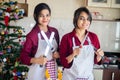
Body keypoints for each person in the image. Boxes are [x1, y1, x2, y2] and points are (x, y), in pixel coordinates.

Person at [59, 7, 104, 80]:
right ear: (75, 19)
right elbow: (63, 62)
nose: (85, 21)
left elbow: (95, 61)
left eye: (88, 19)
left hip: (87, 78)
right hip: (70, 78)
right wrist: (73, 55)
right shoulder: (66, 38)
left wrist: (99, 56)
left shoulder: (93, 37)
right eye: (82, 18)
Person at [20, 3, 60, 80]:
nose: (45, 18)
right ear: (36, 16)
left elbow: (59, 50)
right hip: (37, 73)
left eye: (47, 15)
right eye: (41, 16)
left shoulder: (54, 32)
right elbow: (23, 57)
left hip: (52, 71)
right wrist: (37, 60)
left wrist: (58, 54)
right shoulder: (32, 35)